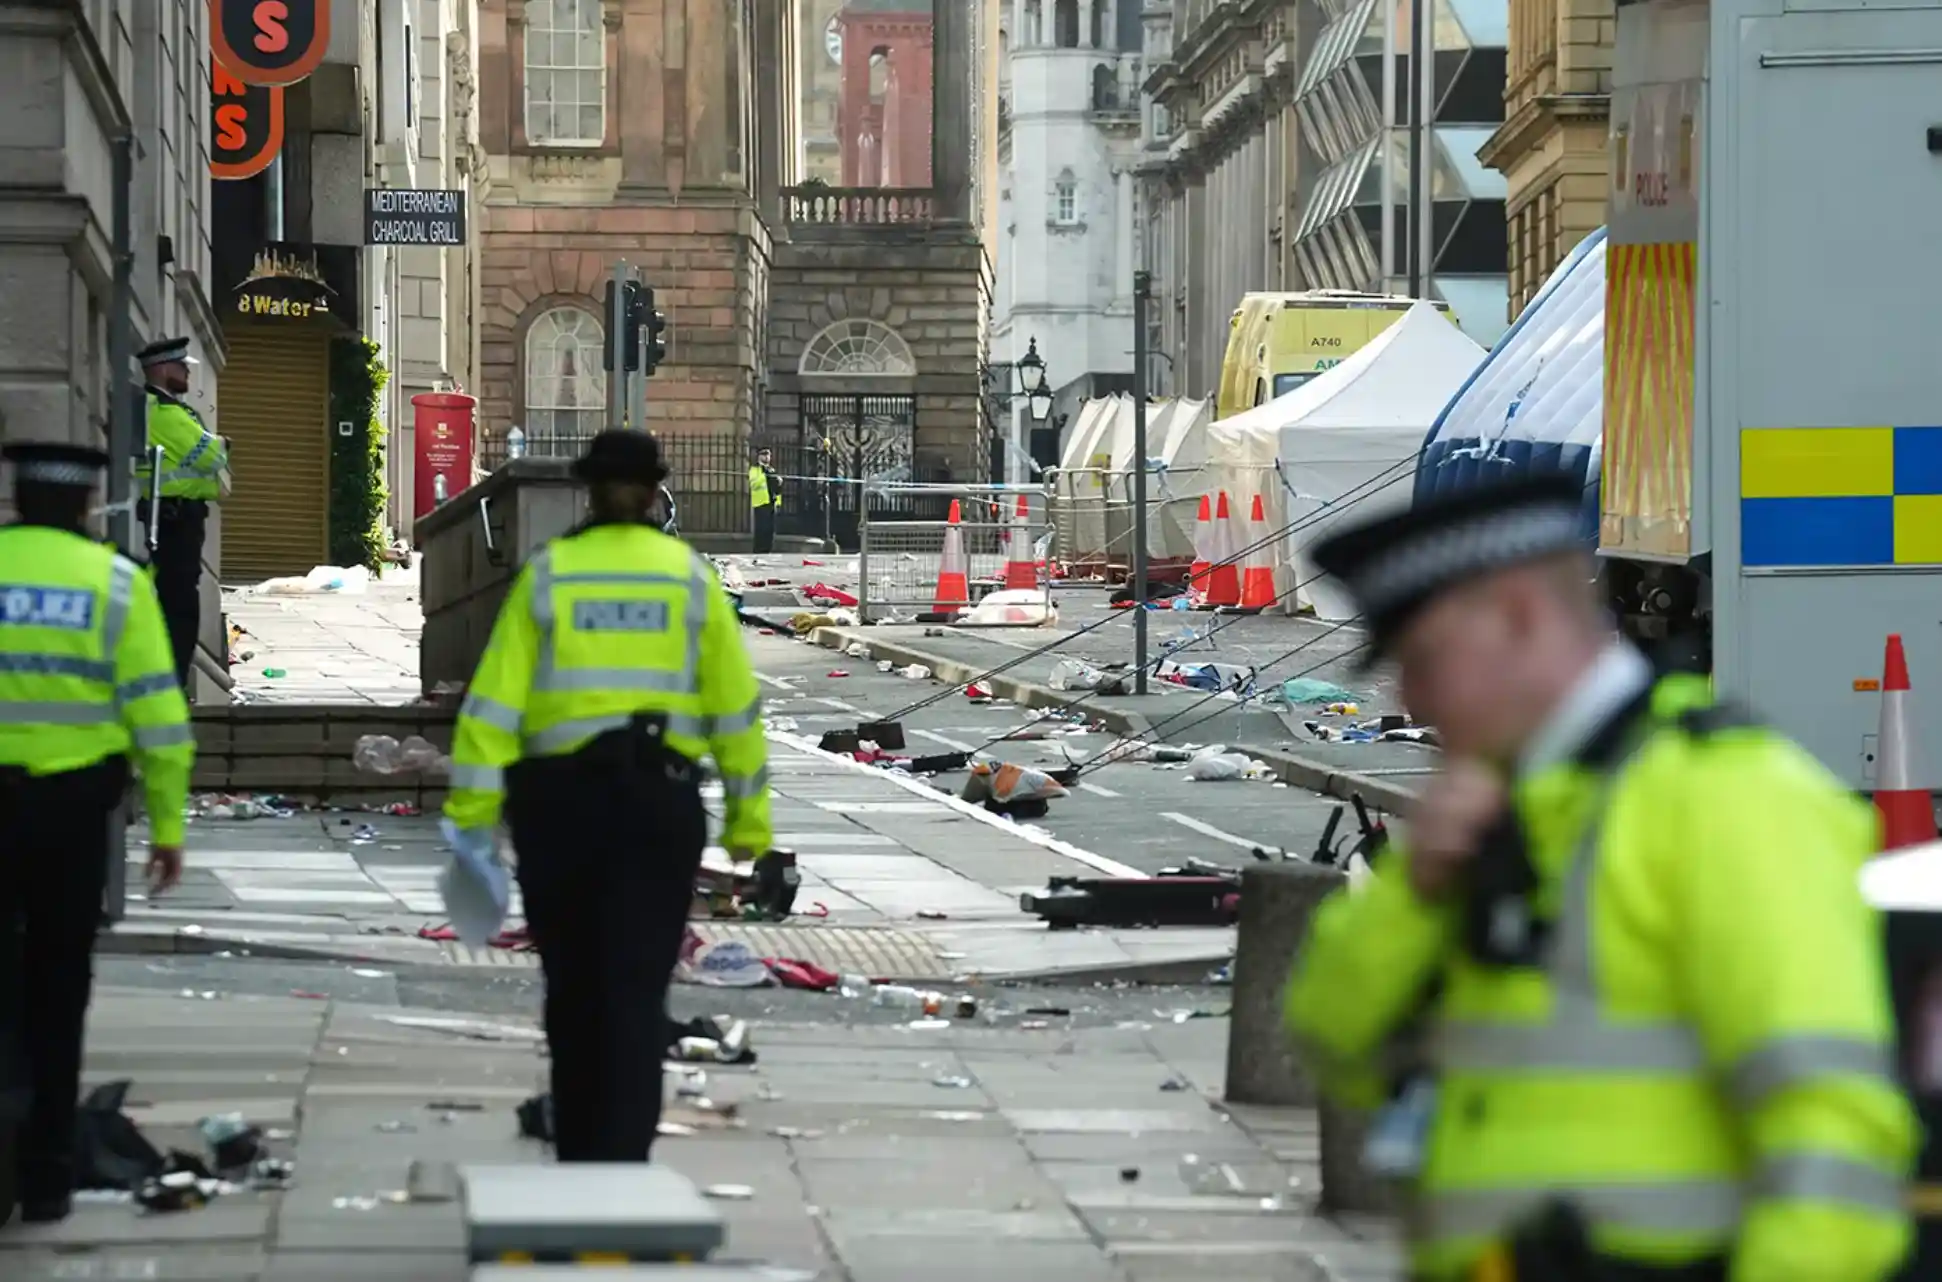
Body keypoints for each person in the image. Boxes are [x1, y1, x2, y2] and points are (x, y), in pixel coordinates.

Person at [1283, 471, 1917, 1282]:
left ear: (1518, 616)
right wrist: (1414, 889)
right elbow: (1328, 1035)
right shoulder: (1503, 808)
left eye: (1425, 658)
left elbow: (1835, 1135)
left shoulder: (1720, 799)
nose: (1410, 696)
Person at [444, 429, 772, 1163]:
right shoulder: (688, 578)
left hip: (558, 806)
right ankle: (625, 1153)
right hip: (658, 804)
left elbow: (493, 706)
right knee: (636, 983)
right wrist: (750, 819)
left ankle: (581, 1145)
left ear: (586, 493)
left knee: (573, 982)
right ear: (656, 494)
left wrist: (469, 818)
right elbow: (734, 709)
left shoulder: (551, 575)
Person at [0, 442, 191, 1226]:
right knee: (58, 979)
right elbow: (158, 713)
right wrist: (169, 827)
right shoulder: (117, 583)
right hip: (72, 815)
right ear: (84, 505)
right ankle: (44, 1172)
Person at [134, 337, 227, 692]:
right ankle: (172, 683)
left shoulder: (171, 410)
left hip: (176, 517)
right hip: (173, 518)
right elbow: (212, 456)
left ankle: (172, 680)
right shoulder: (163, 412)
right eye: (180, 366)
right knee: (180, 606)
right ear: (160, 369)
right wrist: (221, 444)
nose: (186, 371)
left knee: (178, 602)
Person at [748, 447, 781, 554]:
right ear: (759, 456)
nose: (767, 457)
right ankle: (758, 550)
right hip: (760, 503)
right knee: (761, 529)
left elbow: (777, 489)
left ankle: (768, 550)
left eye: (768, 455)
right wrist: (765, 475)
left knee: (770, 530)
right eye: (764, 454)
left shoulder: (772, 470)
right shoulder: (754, 469)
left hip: (771, 503)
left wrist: (778, 503)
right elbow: (754, 483)